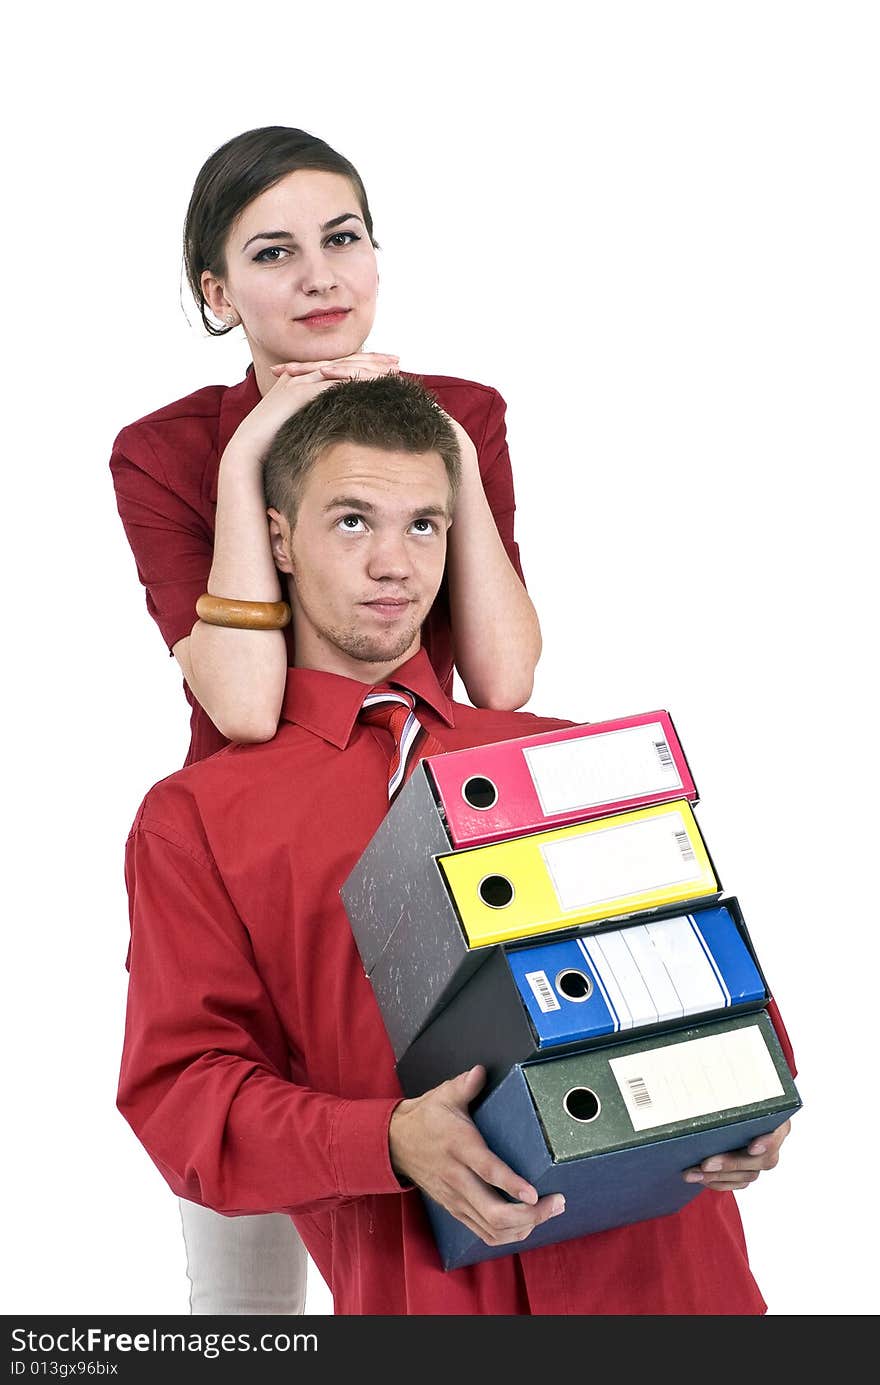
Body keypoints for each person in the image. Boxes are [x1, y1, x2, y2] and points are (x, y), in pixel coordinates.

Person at [117, 375, 794, 1317]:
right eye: (353, 521)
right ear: (279, 538)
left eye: (424, 525)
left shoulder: (568, 755)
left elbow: (694, 965)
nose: (395, 563)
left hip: (685, 1290)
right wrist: (385, 1138)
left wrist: (751, 1088)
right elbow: (186, 1102)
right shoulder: (197, 818)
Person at [109, 125, 542, 1313]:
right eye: (273, 252)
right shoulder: (165, 451)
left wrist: (439, 438)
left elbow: (499, 676)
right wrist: (255, 446)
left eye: (342, 239)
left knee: (456, 1236)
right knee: (243, 1302)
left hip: (438, 845)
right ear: (216, 290)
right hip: (253, 870)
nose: (319, 276)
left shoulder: (457, 414)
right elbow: (244, 702)